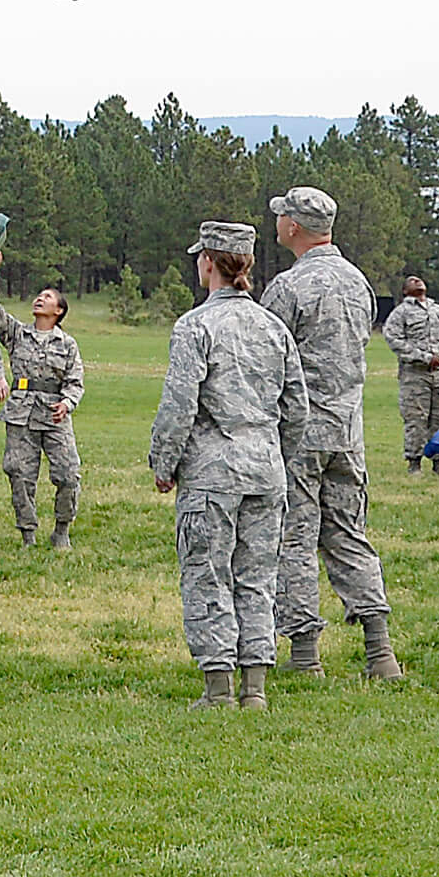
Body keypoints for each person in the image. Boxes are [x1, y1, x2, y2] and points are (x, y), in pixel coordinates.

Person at [146, 219, 312, 709]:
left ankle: (218, 686)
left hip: (212, 472)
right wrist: (277, 454)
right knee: (258, 577)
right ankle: (255, 688)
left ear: (208, 263)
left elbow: (179, 405)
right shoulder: (273, 327)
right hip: (265, 468)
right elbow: (297, 408)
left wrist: (164, 462)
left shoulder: (196, 326)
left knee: (207, 574)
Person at [262, 186, 402, 680]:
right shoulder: (358, 283)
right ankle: (379, 652)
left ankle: (305, 657)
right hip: (348, 431)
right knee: (348, 535)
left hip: (300, 434)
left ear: (294, 227)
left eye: (282, 216)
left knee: (294, 540)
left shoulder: (288, 287)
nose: (277, 222)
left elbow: (269, 358)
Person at [0, 244, 87, 547]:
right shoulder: (17, 333)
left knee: (68, 475)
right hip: (22, 412)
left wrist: (67, 403)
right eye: (39, 295)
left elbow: (75, 382)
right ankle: (28, 534)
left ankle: (62, 529)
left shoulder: (67, 344)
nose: (40, 298)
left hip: (54, 414)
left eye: (48, 297)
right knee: (20, 475)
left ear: (59, 310)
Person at [378, 277, 439, 476]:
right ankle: (414, 463)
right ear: (405, 291)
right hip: (414, 374)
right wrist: (424, 357)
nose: (417, 281)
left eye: (419, 279)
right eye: (411, 281)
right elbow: (393, 338)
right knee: (416, 419)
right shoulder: (401, 313)